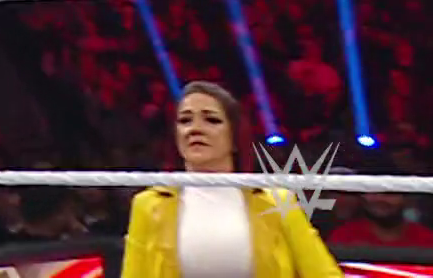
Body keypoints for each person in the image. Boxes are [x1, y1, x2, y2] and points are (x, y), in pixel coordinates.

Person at [121, 81, 342, 278]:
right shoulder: (148, 204)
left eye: (212, 120)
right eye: (185, 120)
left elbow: (323, 272)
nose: (195, 129)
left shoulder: (278, 202)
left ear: (235, 136)